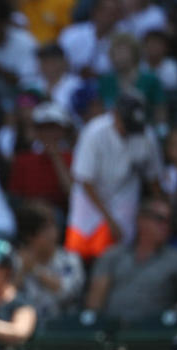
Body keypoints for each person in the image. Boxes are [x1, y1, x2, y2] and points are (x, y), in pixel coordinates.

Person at [65, 92, 163, 261]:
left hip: (124, 193)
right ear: (115, 114)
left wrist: (162, 208)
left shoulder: (146, 135)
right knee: (81, 249)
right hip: (90, 195)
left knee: (118, 250)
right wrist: (109, 219)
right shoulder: (94, 132)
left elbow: (153, 177)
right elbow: (84, 179)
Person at [85, 199, 177, 323]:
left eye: (169, 221)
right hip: (113, 331)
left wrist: (175, 312)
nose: (166, 226)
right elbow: (95, 299)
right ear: (141, 220)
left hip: (154, 332)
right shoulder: (113, 255)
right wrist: (95, 323)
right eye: (160, 219)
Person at [14, 203, 85, 325]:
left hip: (64, 328)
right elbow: (5, 299)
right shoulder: (15, 261)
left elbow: (67, 293)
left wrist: (35, 270)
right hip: (27, 329)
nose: (53, 234)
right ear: (29, 237)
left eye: (53, 227)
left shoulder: (70, 260)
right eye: (45, 230)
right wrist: (21, 271)